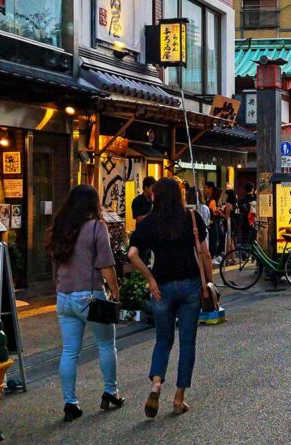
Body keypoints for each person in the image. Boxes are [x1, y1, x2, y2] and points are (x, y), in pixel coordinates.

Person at [126, 177, 214, 418]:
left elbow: (132, 254)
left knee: (163, 340)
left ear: (155, 197)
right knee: (187, 343)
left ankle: (156, 384)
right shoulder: (191, 218)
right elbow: (204, 253)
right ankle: (178, 398)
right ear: (179, 196)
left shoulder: (149, 222)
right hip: (190, 285)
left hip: (161, 287)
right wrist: (210, 283)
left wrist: (150, 278)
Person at [48, 185, 122, 422]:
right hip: (89, 297)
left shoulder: (60, 228)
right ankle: (111, 392)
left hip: (63, 298)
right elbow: (106, 265)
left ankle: (70, 404)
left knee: (69, 351)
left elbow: (55, 266)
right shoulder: (96, 228)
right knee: (106, 344)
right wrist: (115, 291)